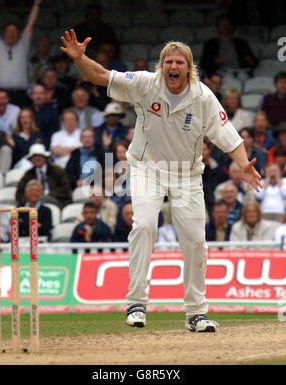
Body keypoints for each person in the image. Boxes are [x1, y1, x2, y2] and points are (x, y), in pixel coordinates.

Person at [61, 30, 262, 332]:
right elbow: (101, 76)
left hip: (187, 174)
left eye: (180, 61)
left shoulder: (203, 96)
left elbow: (227, 136)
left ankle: (196, 313)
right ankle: (136, 304)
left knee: (195, 242)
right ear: (162, 66)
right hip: (146, 168)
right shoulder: (145, 84)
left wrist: (244, 164)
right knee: (144, 226)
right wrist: (80, 58)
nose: (173, 66)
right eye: (169, 61)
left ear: (188, 68)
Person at [0, 0, 42, 106]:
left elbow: (30, 24)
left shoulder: (23, 45)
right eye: (9, 31)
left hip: (20, 95)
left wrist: (36, 4)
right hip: (0, 95)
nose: (11, 34)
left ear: (18, 33)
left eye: (14, 31)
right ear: (4, 33)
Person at [16, 143, 72, 208]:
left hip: (56, 201)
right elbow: (19, 193)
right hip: (34, 203)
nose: (37, 159)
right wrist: (31, 198)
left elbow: (65, 189)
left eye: (40, 156)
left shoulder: (57, 171)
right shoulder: (28, 174)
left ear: (45, 158)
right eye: (34, 157)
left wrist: (48, 194)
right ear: (31, 159)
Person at [29, 83, 59, 150]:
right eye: (36, 93)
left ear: (45, 96)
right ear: (31, 96)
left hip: (48, 146)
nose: (38, 96)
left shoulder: (53, 112)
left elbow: (54, 133)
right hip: (27, 145)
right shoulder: (26, 111)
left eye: (41, 93)